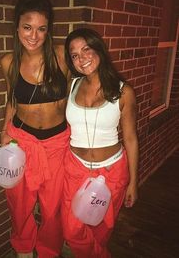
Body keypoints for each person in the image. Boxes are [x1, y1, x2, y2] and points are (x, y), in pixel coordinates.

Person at [0, 0, 70, 258]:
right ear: (17, 26)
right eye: (27, 27)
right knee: (19, 204)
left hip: (56, 144)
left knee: (52, 207)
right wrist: (4, 131)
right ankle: (24, 250)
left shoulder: (62, 57)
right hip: (22, 140)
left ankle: (50, 250)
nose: (33, 36)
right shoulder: (9, 62)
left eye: (41, 29)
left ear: (48, 31)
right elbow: (12, 99)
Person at [61, 28, 139, 258]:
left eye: (86, 49)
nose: (81, 58)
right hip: (74, 169)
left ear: (99, 49)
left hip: (111, 172)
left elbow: (131, 139)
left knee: (102, 229)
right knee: (72, 229)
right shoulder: (71, 85)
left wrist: (133, 182)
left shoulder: (124, 92)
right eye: (74, 55)